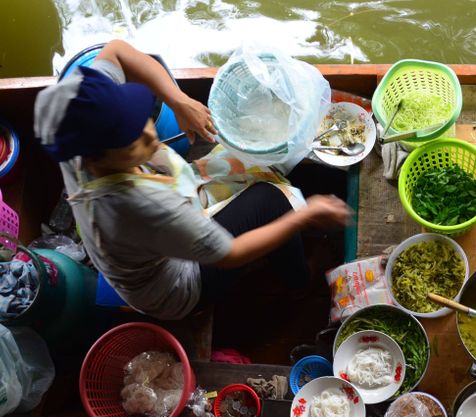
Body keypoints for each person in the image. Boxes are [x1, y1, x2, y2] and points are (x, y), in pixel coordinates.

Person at [33, 40, 351, 320]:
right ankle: (300, 281)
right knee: (272, 202)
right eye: (133, 142)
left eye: (139, 122)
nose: (149, 134)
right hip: (177, 286)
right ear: (97, 158)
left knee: (244, 166)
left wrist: (178, 101)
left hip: (138, 247)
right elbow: (229, 253)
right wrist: (306, 215)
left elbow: (117, 50)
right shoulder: (142, 207)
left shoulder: (70, 117)